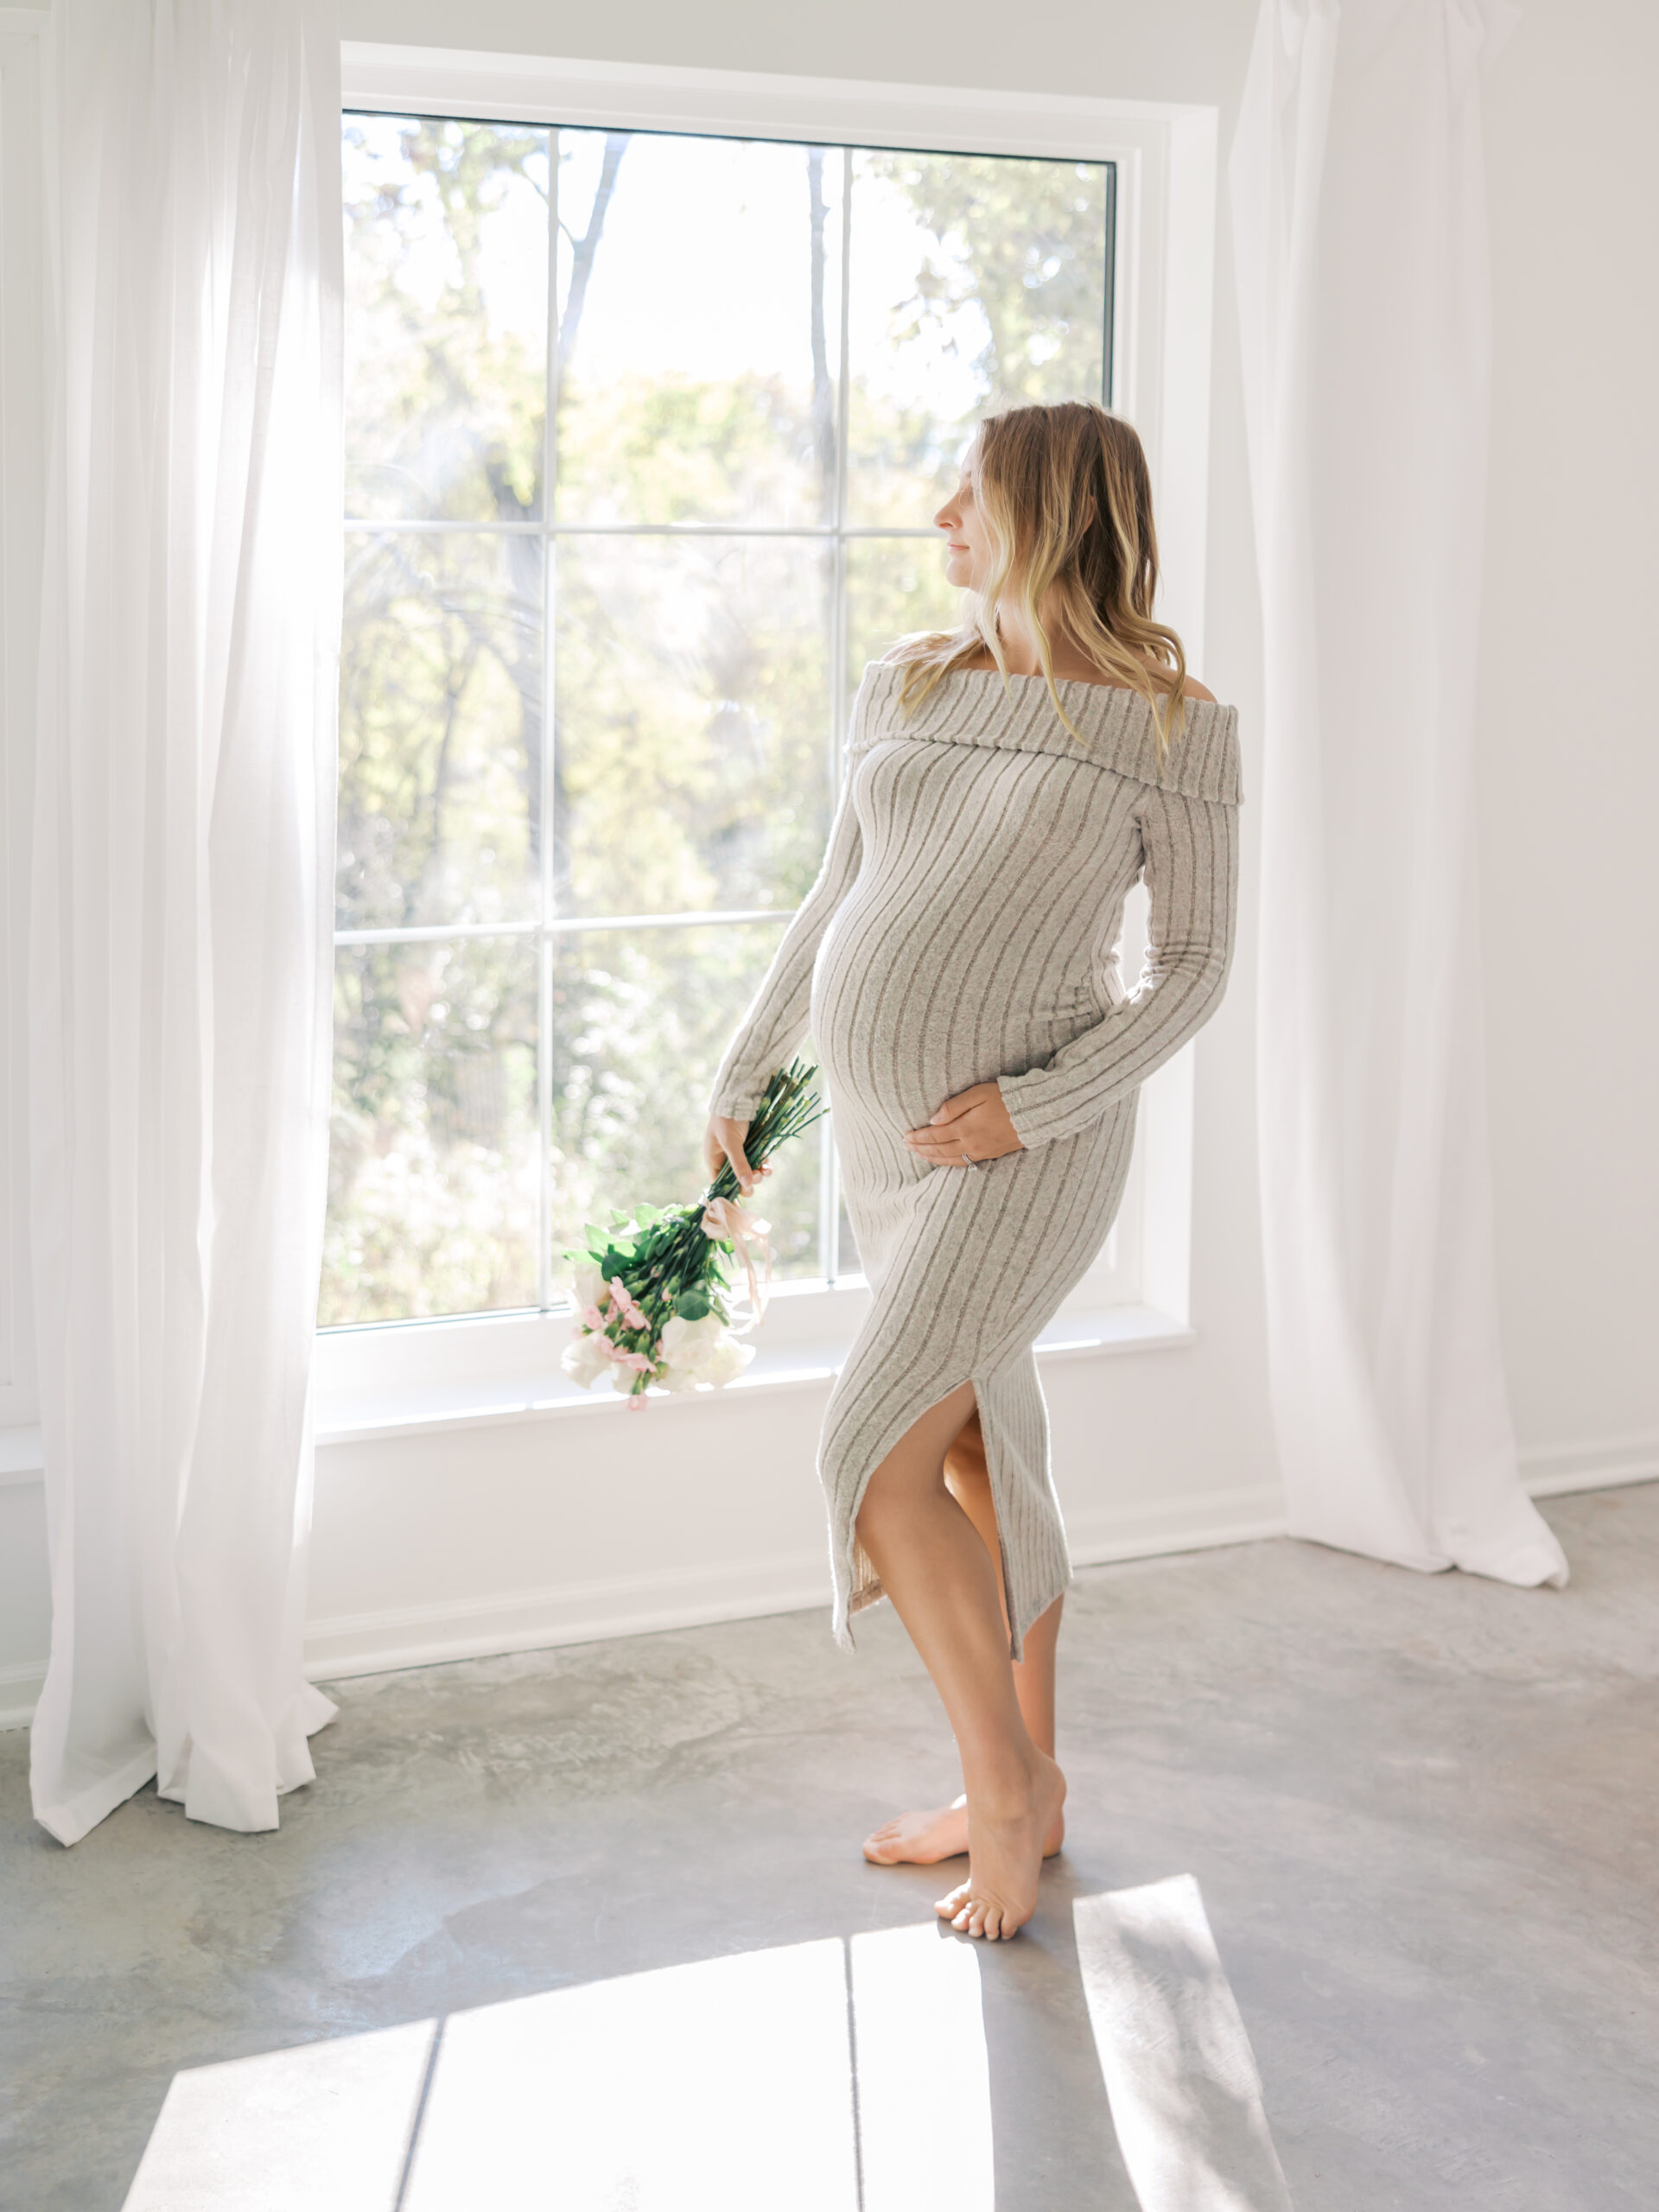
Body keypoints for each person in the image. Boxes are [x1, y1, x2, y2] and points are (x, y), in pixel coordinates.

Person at [703, 399, 1242, 1939]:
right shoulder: (911, 680)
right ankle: (1037, 1780)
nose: (941, 510)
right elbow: (837, 896)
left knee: (867, 1455)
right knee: (978, 1454)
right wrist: (747, 1063)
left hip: (1026, 1147)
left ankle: (999, 1790)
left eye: (973, 491)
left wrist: (1041, 1102)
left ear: (1051, 515)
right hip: (883, 1142)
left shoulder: (1170, 725)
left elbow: (1194, 969)